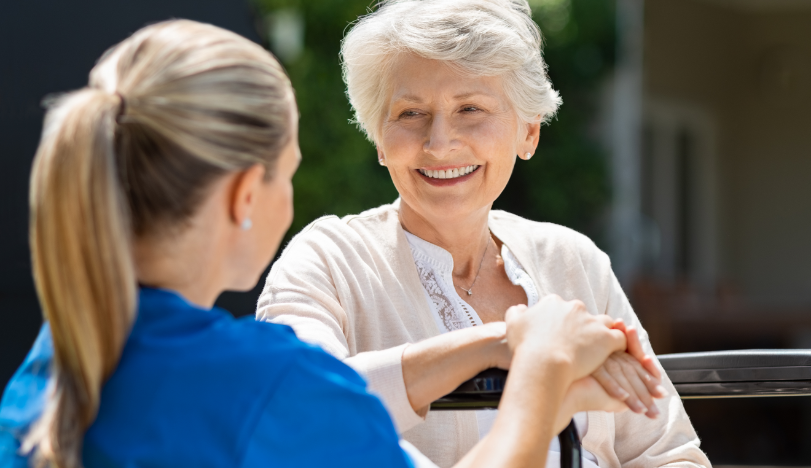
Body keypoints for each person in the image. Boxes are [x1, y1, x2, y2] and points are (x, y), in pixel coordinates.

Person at [0, 18, 648, 468]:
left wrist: (509, 349)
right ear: (245, 196)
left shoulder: (57, 360)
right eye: (291, 169)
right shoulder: (271, 383)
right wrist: (538, 373)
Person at [256, 0, 711, 467]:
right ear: (378, 139)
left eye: (470, 108)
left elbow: (668, 452)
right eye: (410, 113)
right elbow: (295, 407)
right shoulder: (328, 260)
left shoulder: (572, 258)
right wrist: (513, 345)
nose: (439, 143)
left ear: (528, 132)